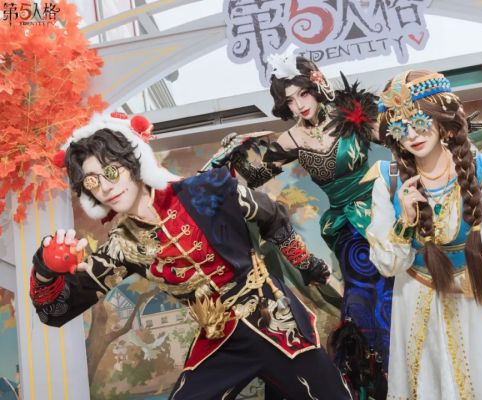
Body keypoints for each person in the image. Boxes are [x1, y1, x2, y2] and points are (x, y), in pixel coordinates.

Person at [29, 112, 352, 400]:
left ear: (133, 163)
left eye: (111, 171)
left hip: (276, 320)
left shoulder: (205, 189)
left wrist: (304, 263)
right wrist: (45, 267)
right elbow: (55, 311)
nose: (105, 187)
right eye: (92, 181)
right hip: (221, 338)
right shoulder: (122, 244)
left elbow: (271, 214)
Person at [365, 70, 482, 399]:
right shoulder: (388, 181)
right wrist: (405, 222)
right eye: (400, 127)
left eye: (420, 121)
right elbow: (387, 265)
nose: (412, 135)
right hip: (417, 304)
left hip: (476, 300)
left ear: (441, 119)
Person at [222, 51, 392, 397]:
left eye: (303, 94)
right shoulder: (291, 140)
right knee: (361, 300)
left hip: (383, 213)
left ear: (317, 87)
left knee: (401, 290)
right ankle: (378, 382)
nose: (299, 105)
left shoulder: (350, 113)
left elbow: (396, 138)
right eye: (290, 100)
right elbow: (252, 178)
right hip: (345, 228)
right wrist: (230, 158)